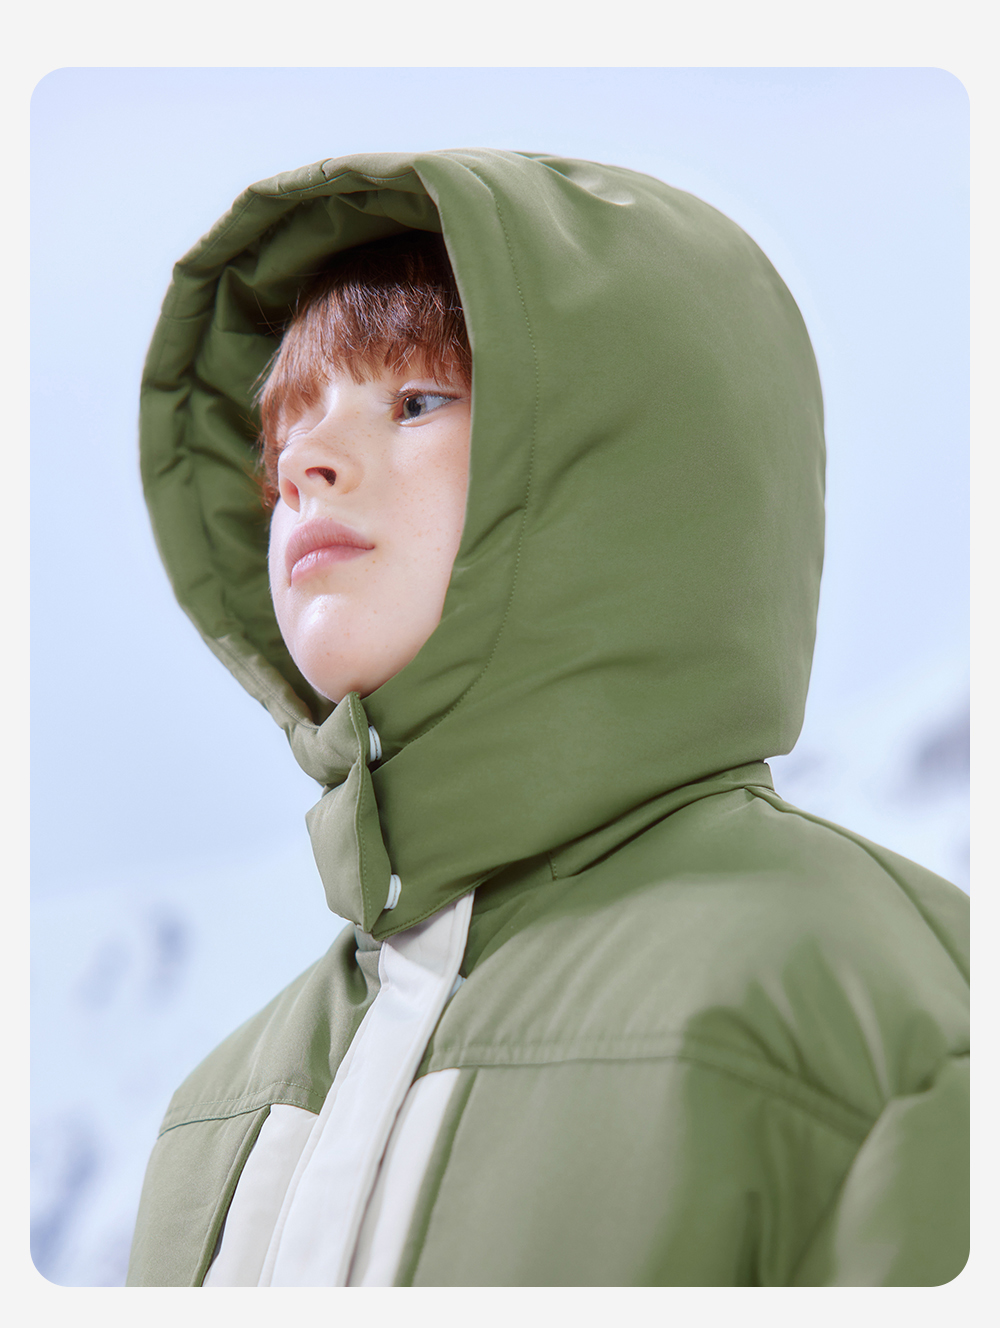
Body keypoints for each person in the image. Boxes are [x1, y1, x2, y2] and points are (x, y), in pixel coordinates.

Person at [126, 148, 969, 1287]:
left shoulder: (875, 1009)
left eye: (415, 401)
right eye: (282, 443)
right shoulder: (212, 1120)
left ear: (621, 469)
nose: (308, 461)